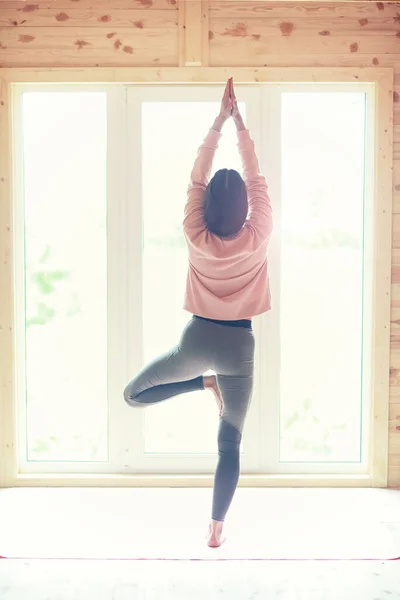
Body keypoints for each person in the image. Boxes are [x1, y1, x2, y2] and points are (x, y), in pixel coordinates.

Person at [124, 78, 273, 548]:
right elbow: (256, 178)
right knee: (230, 444)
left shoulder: (194, 230)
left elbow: (196, 177)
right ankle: (216, 531)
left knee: (133, 396)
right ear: (247, 207)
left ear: (206, 205)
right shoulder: (261, 231)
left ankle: (199, 383)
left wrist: (219, 123)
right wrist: (239, 125)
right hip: (239, 347)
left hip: (198, 339)